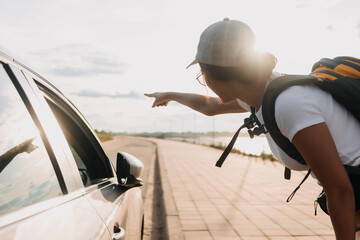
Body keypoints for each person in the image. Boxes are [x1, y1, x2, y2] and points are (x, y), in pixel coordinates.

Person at [145, 18, 360, 239]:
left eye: (201, 75)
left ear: (213, 76)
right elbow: (208, 105)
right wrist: (169, 95)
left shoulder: (289, 105)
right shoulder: (256, 93)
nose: (204, 82)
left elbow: (340, 192)